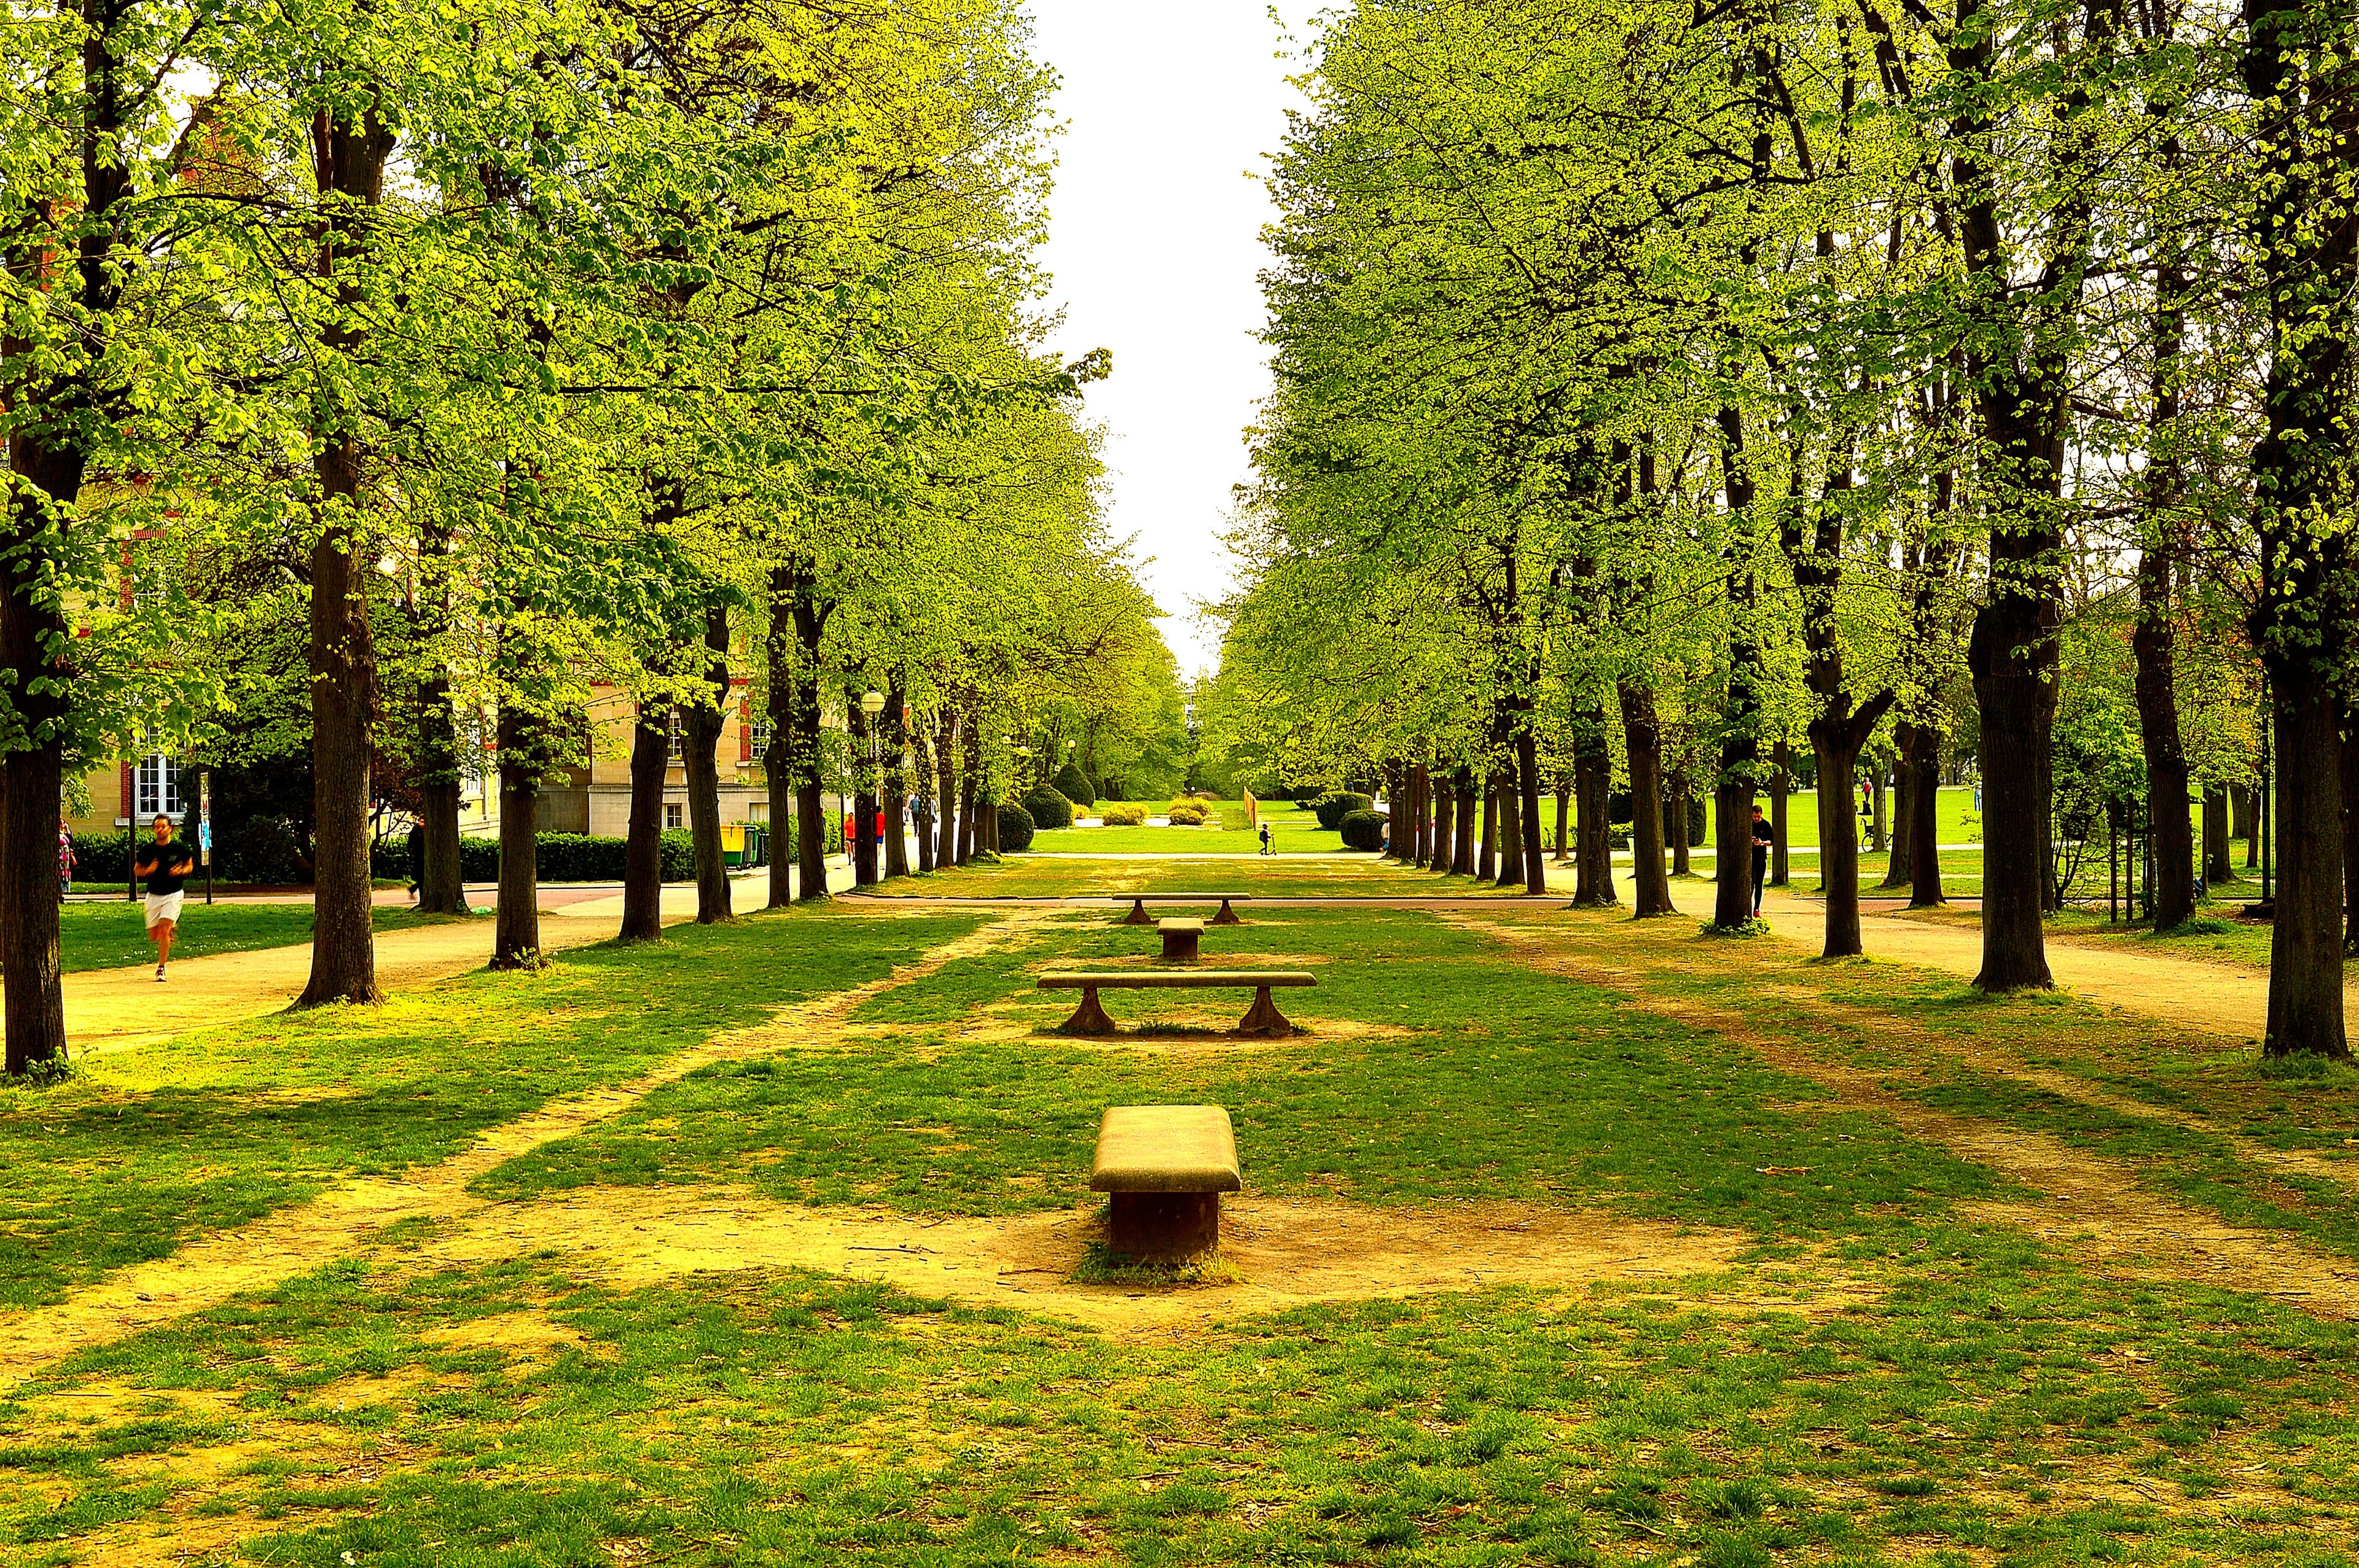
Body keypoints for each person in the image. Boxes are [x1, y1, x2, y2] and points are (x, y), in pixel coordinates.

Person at [132, 813, 195, 981]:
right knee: (155, 935)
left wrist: (181, 871)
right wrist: (148, 871)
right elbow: (137, 870)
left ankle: (161, 968)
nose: (160, 830)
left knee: (164, 929)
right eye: (157, 827)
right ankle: (169, 930)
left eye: (163, 827)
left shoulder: (179, 848)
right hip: (153, 895)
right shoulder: (148, 850)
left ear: (170, 829)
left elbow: (189, 865)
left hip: (173, 894)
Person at [1750, 803, 1774, 917]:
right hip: (1750, 858)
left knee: (1759, 884)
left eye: (1758, 817)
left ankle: (1757, 908)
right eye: (1755, 816)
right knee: (1751, 883)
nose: (1757, 819)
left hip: (1761, 857)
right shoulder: (1748, 824)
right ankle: (1747, 906)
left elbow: (1771, 841)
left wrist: (1762, 843)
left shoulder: (1766, 825)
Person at [57, 825, 75, 900]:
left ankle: (62, 895)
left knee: (64, 875)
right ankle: (58, 895)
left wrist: (67, 829)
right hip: (60, 857)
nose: (63, 825)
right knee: (59, 874)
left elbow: (71, 839)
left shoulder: (64, 834)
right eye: (61, 823)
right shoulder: (57, 835)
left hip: (66, 858)